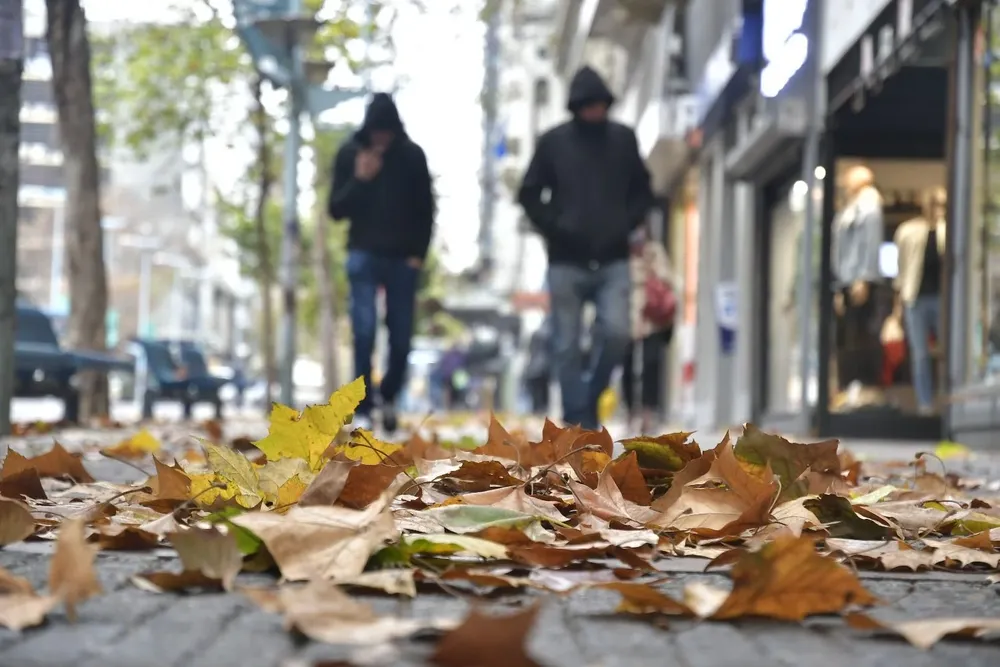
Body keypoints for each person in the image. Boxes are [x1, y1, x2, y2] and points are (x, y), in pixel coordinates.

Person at [517, 66, 654, 429]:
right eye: (588, 106)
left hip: (613, 257)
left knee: (617, 333)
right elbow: (529, 193)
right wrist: (556, 228)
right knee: (565, 344)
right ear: (576, 107)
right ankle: (578, 419)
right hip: (566, 259)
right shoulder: (553, 143)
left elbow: (643, 189)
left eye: (601, 105)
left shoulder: (624, 139)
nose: (595, 112)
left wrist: (627, 223)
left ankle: (588, 400)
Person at [328, 93, 435, 432]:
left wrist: (419, 254)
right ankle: (363, 403)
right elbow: (336, 210)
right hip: (363, 254)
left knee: (402, 336)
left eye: (386, 132)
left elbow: (426, 210)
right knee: (363, 329)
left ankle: (388, 394)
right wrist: (360, 179)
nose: (381, 139)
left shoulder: (412, 157)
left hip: (404, 259)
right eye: (376, 132)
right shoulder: (350, 155)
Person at [622, 224, 675, 434]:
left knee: (651, 365)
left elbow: (668, 279)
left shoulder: (655, 252)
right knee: (627, 365)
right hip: (629, 316)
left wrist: (651, 268)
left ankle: (648, 413)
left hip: (653, 319)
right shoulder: (622, 254)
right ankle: (630, 412)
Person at [522, 318, 551, 414]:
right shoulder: (550, 334)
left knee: (535, 398)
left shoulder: (535, 334)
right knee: (543, 397)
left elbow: (530, 350)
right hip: (544, 368)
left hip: (533, 368)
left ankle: (536, 413)